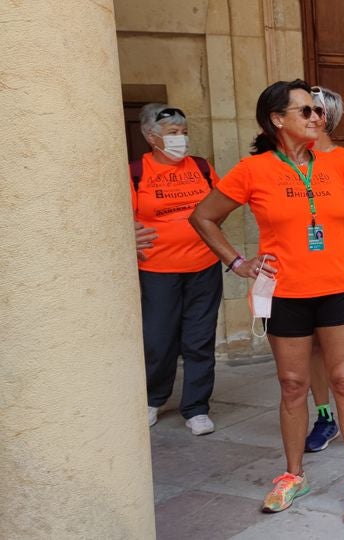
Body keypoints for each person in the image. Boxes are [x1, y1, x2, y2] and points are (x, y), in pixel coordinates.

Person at [189, 80, 344, 521]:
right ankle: (294, 475)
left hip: (337, 289)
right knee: (292, 386)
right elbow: (203, 216)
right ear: (277, 119)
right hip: (285, 293)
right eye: (305, 111)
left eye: (318, 111)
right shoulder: (253, 171)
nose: (317, 117)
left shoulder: (342, 163)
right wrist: (238, 263)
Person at [132, 104, 222, 435]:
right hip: (158, 269)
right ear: (150, 136)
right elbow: (120, 218)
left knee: (200, 337)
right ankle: (154, 397)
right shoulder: (135, 172)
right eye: (172, 134)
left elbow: (219, 205)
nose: (180, 140)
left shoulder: (200, 167)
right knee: (159, 337)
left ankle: (196, 407)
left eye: (183, 133)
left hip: (203, 264)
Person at [301, 84, 344, 453]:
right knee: (311, 352)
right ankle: (324, 416)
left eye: (310, 110)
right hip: (298, 276)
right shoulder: (285, 160)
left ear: (324, 118)